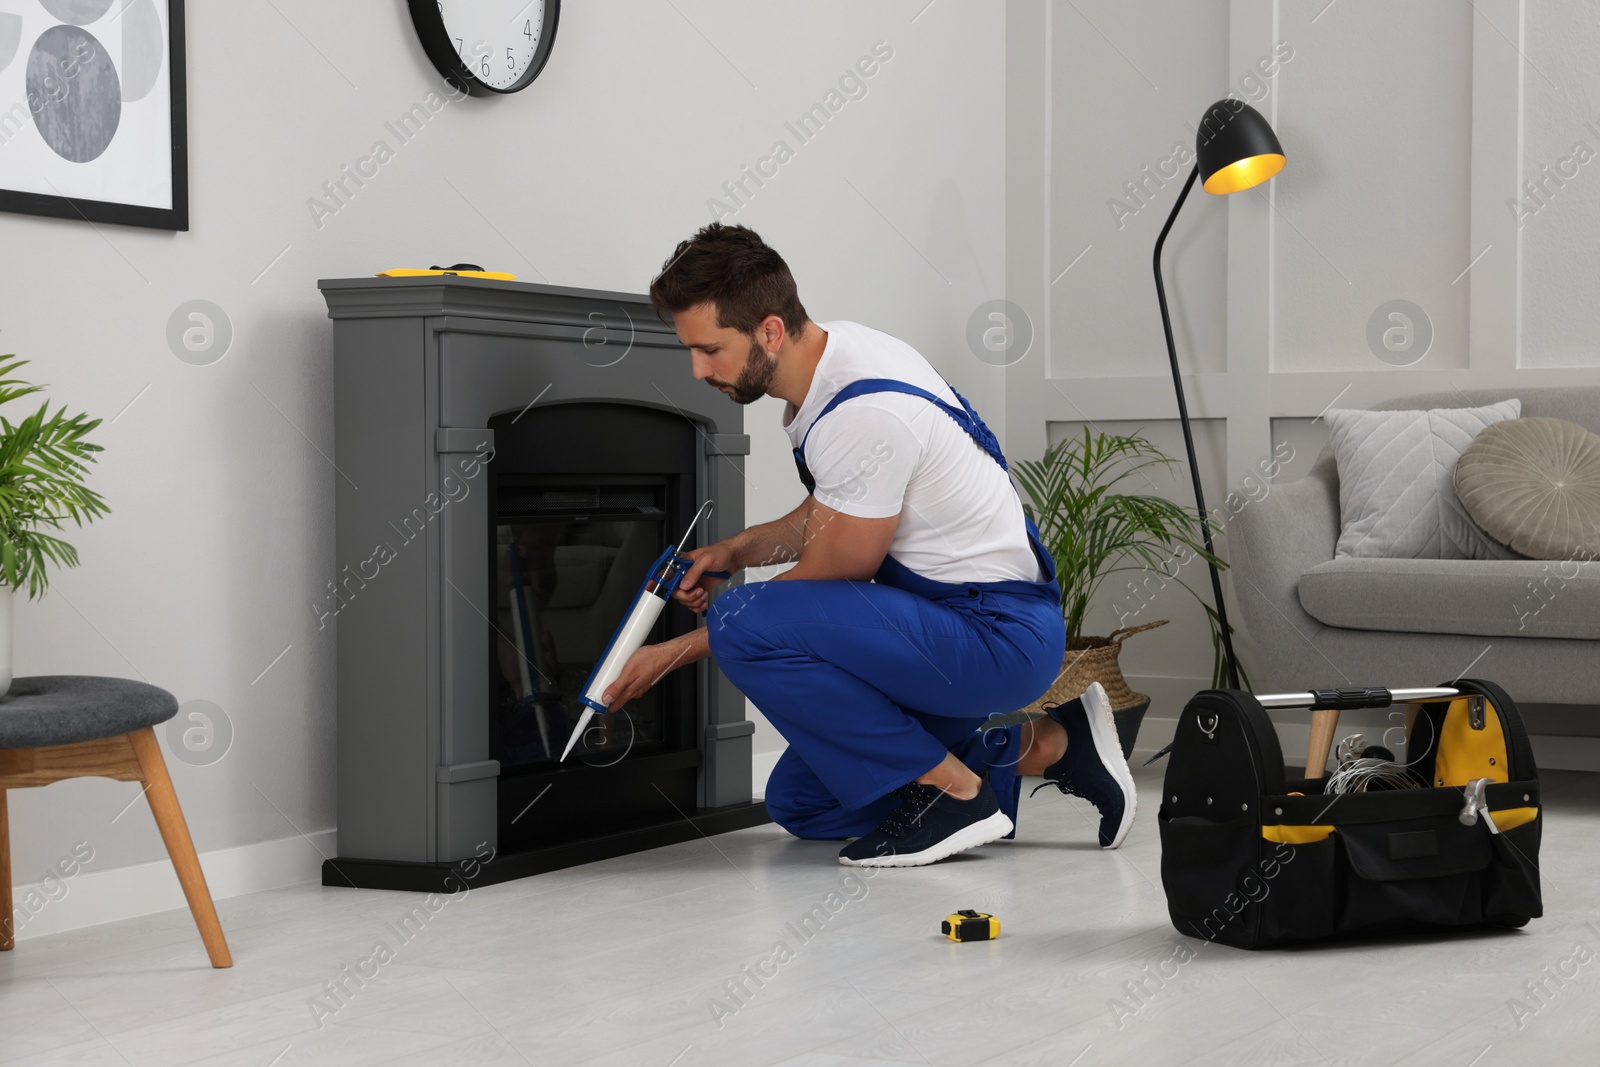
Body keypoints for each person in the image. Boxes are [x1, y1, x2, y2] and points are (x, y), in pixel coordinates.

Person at [604, 223, 1136, 867]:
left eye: (710, 349)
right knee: (805, 803)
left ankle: (957, 794)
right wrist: (735, 553)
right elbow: (836, 511)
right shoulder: (839, 355)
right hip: (950, 627)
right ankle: (1056, 741)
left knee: (740, 618)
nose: (697, 370)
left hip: (993, 636)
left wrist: (672, 653)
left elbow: (841, 565)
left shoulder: (864, 415)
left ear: (769, 330)